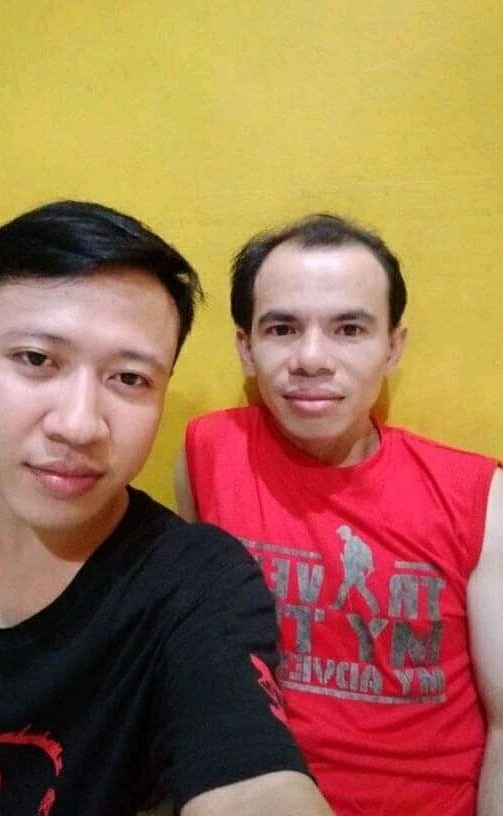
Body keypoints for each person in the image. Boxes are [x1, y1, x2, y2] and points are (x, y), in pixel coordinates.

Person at [0, 201, 334, 816]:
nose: (79, 425)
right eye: (36, 360)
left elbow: (254, 780)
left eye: (129, 379)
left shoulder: (194, 583)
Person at [175, 214, 502, 815]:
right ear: (246, 348)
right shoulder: (207, 452)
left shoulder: (477, 495)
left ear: (392, 347)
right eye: (282, 328)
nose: (311, 358)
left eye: (349, 329)